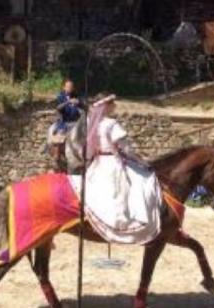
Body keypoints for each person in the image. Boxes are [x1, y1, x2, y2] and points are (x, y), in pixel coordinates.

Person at [72, 93, 161, 244]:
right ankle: (133, 219)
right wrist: (140, 160)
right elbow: (126, 149)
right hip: (113, 163)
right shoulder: (111, 124)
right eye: (113, 104)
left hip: (97, 162)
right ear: (107, 106)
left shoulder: (90, 122)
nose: (115, 107)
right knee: (140, 180)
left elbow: (86, 148)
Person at [47, 79, 84, 166]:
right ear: (64, 87)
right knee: (60, 134)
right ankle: (57, 156)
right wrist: (67, 102)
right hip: (65, 122)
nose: (70, 88)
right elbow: (58, 108)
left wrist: (79, 102)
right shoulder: (60, 97)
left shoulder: (76, 96)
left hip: (76, 122)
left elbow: (84, 105)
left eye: (71, 87)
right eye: (68, 87)